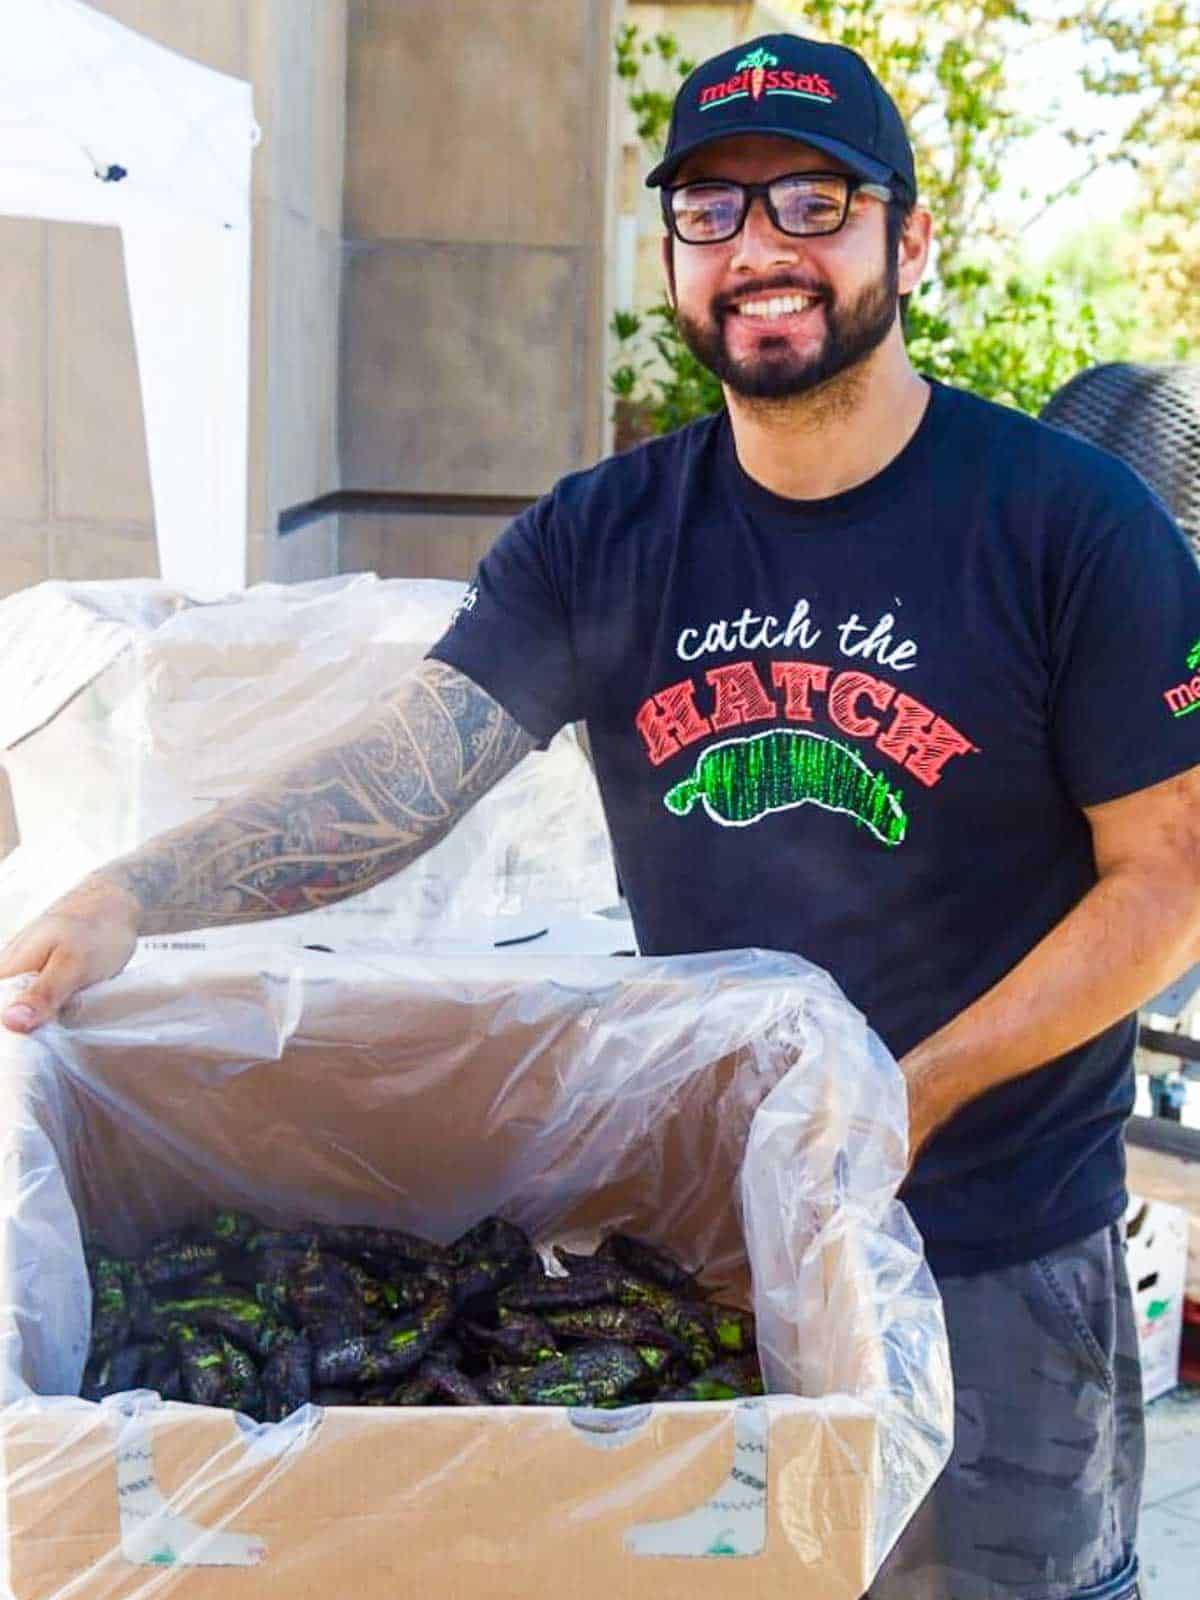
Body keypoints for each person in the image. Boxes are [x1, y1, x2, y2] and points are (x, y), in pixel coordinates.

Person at [1, 31, 1197, 1598]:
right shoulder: (608, 536)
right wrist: (126, 896)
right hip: (720, 1236)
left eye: (813, 200)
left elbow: (1166, 881)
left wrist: (911, 1097)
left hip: (995, 1254)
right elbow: (398, 781)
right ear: (674, 260)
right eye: (712, 209)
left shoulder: (1068, 527)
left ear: (910, 236)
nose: (760, 246)